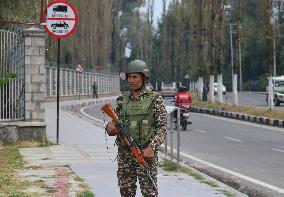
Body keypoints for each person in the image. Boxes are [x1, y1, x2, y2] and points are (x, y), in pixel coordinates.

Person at [105, 60, 167, 197]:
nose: (131, 80)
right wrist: (110, 128)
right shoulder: (122, 100)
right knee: (126, 191)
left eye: (135, 77)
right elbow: (113, 124)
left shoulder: (155, 99)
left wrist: (152, 146)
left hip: (145, 154)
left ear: (144, 78)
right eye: (129, 77)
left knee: (149, 192)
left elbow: (162, 128)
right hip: (125, 154)